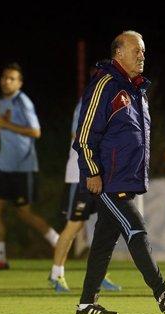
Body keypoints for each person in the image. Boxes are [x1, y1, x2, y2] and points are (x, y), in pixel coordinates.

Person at [72, 31, 165, 314]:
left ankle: (87, 303)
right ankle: (162, 293)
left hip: (124, 179)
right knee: (136, 228)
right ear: (118, 53)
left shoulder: (136, 90)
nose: (142, 55)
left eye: (144, 51)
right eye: (136, 50)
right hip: (108, 180)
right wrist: (93, 171)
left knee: (102, 243)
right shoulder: (106, 84)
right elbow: (84, 135)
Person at [0, 63, 59, 270]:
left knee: (24, 212)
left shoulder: (23, 101)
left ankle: (58, 241)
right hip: (3, 166)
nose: (6, 81)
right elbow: (8, 130)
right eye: (4, 77)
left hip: (23, 167)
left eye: (11, 78)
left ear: (19, 83)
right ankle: (0, 258)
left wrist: (4, 125)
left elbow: (35, 132)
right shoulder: (3, 102)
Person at [49, 93, 121, 292]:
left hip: (98, 176)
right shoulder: (88, 102)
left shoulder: (109, 101)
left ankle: (99, 275)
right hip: (79, 176)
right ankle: (56, 274)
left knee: (104, 226)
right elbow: (79, 136)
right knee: (74, 226)